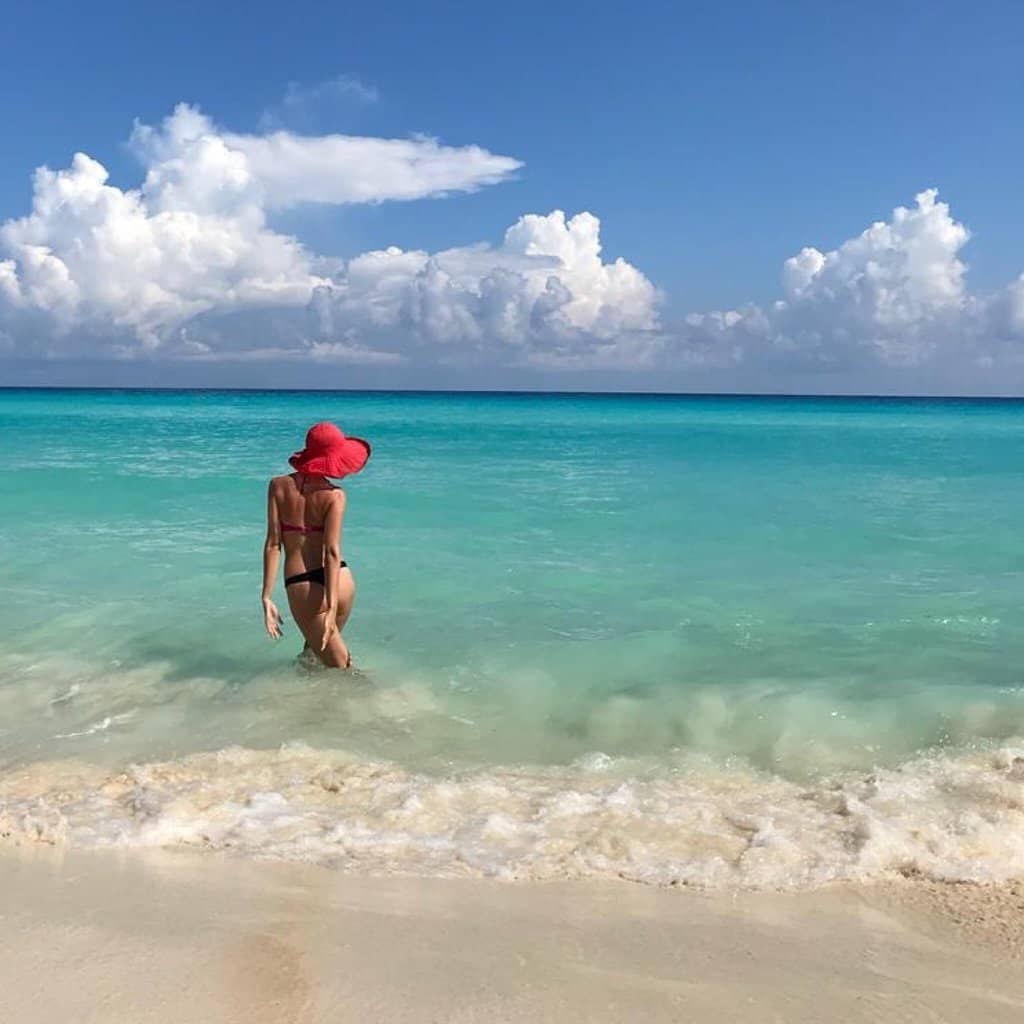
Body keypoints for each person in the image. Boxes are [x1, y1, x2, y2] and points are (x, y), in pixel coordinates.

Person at [261, 422, 371, 668]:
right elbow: (331, 552)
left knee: (342, 668)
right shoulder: (334, 495)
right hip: (340, 579)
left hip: (303, 585)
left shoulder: (277, 486)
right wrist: (332, 605)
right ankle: (306, 689)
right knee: (316, 655)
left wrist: (267, 596)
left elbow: (273, 544)